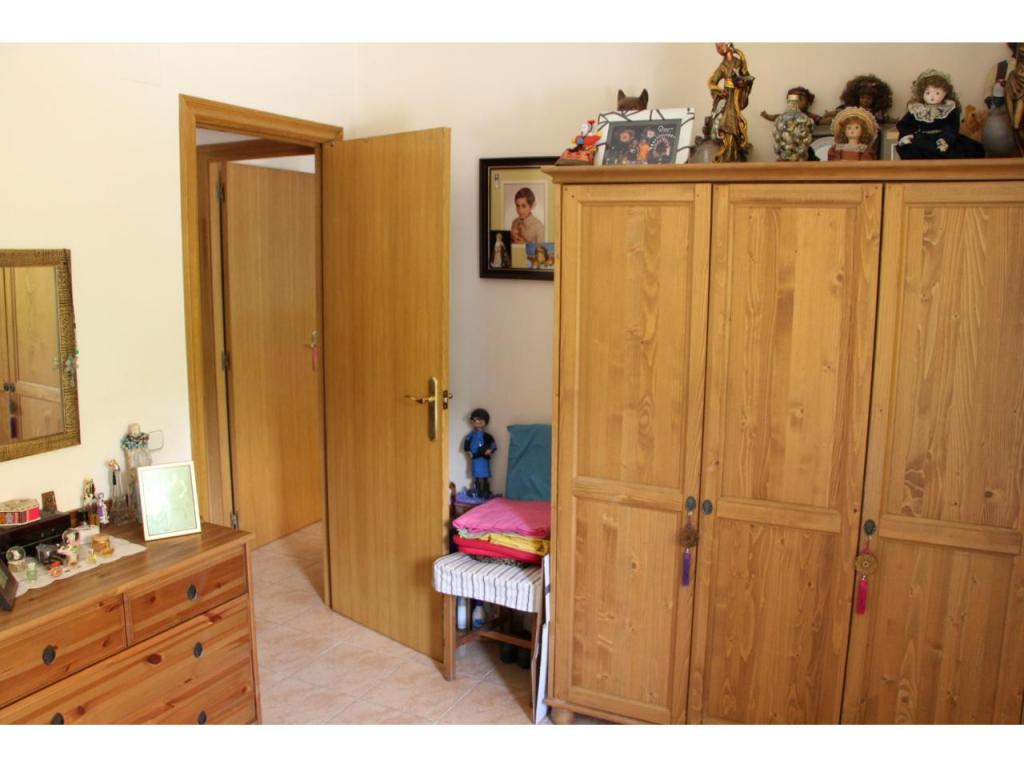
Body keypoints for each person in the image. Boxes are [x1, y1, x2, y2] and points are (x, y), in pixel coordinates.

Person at [896, 69, 985, 160]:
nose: (932, 96)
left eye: (937, 93)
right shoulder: (917, 108)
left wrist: (946, 139)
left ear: (945, 93)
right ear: (922, 93)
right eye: (928, 93)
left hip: (942, 138)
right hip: (922, 138)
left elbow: (951, 126)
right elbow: (906, 124)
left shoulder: (949, 108)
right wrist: (907, 135)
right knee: (913, 150)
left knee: (956, 152)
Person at [706, 42, 754, 163]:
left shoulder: (739, 62)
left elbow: (746, 76)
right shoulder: (722, 66)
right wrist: (719, 91)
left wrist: (743, 83)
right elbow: (711, 82)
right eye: (717, 48)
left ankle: (734, 154)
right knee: (726, 123)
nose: (719, 49)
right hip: (728, 97)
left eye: (721, 45)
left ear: (728, 44)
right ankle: (726, 154)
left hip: (736, 96)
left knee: (736, 124)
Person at [462, 408, 496, 499]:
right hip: (475, 458)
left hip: (484, 458)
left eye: (480, 420)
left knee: (485, 475)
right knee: (476, 475)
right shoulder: (470, 435)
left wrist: (491, 450)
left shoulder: (488, 436)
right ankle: (477, 490)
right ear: (472, 421)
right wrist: (469, 451)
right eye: (475, 420)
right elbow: (466, 445)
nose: (477, 422)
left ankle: (485, 491)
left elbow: (493, 446)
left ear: (486, 422)